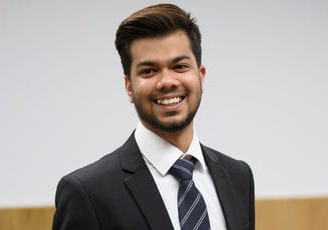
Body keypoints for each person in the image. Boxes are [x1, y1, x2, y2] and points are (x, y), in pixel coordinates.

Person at [52, 3, 254, 230]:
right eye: (148, 71)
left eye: (179, 66)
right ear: (129, 87)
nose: (167, 81)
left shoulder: (238, 177)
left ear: (201, 76)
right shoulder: (87, 193)